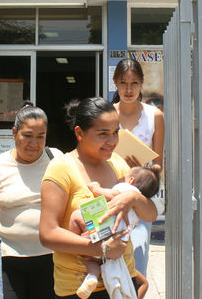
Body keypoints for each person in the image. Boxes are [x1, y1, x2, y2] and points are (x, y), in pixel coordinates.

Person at [40, 97, 158, 299]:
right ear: (80, 133)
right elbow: (48, 234)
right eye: (103, 134)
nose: (112, 141)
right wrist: (101, 248)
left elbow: (151, 214)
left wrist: (133, 198)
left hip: (122, 279)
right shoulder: (61, 168)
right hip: (78, 288)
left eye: (115, 132)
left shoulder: (118, 164)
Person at [0, 102, 61, 299]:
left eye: (40, 136)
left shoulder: (56, 160)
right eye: (27, 135)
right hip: (6, 258)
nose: (34, 143)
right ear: (14, 133)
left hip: (51, 258)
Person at [69, 165, 161, 299]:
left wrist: (96, 188)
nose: (119, 179)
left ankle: (77, 241)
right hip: (117, 246)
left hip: (101, 231)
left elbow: (112, 194)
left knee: (76, 216)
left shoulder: (127, 189)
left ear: (131, 181)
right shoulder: (138, 207)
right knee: (94, 260)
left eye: (123, 177)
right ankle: (91, 277)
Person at [111, 58, 165, 276]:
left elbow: (159, 163)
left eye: (134, 83)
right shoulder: (106, 115)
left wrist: (144, 171)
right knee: (108, 256)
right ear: (115, 82)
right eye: (123, 83)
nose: (128, 89)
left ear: (142, 83)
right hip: (111, 192)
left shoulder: (155, 116)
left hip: (141, 196)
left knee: (137, 262)